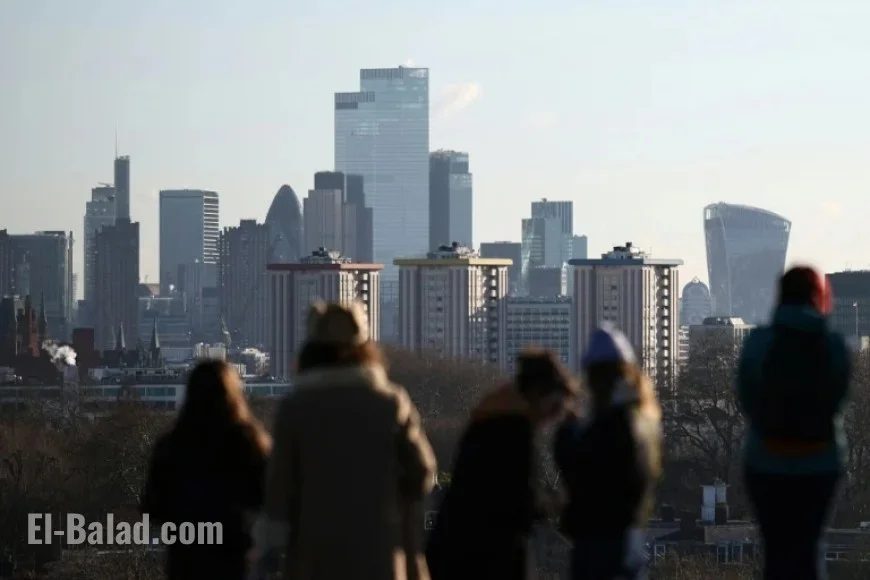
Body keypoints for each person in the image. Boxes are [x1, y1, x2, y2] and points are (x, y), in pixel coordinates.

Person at [249, 301, 437, 580]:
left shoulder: (297, 407)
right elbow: (423, 474)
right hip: (378, 551)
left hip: (314, 556)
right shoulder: (390, 402)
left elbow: (278, 491)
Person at [737, 265, 851, 580]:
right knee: (811, 548)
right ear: (820, 297)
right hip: (820, 462)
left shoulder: (758, 341)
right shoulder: (833, 344)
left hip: (766, 460)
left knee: (776, 552)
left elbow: (748, 399)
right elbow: (838, 400)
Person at [425, 348, 579, 580]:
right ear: (538, 394)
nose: (554, 418)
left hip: (456, 552)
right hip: (486, 558)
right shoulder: (515, 430)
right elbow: (522, 500)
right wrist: (560, 507)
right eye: (556, 407)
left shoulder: (492, 417)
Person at [141, 360, 272, 580]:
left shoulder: (172, 445)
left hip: (185, 556)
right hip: (233, 555)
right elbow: (268, 499)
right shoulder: (248, 442)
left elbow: (153, 506)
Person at [554, 324, 662, 580]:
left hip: (601, 543)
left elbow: (579, 472)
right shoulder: (642, 418)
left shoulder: (615, 425)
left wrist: (568, 431)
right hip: (626, 539)